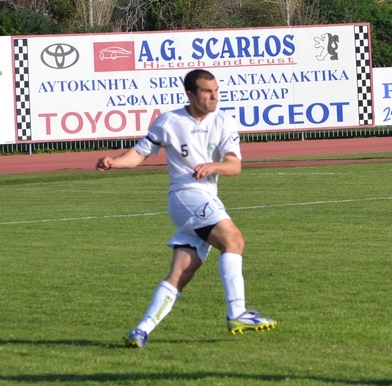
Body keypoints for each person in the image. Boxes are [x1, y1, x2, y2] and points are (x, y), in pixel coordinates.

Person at [97, 68, 276, 347]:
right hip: (185, 195)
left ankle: (141, 330)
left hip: (205, 198)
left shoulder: (224, 121)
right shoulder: (169, 121)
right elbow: (139, 154)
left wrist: (214, 166)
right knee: (234, 240)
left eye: (216, 90)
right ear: (190, 94)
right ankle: (237, 313)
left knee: (181, 273)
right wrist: (115, 162)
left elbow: (234, 166)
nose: (214, 96)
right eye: (207, 91)